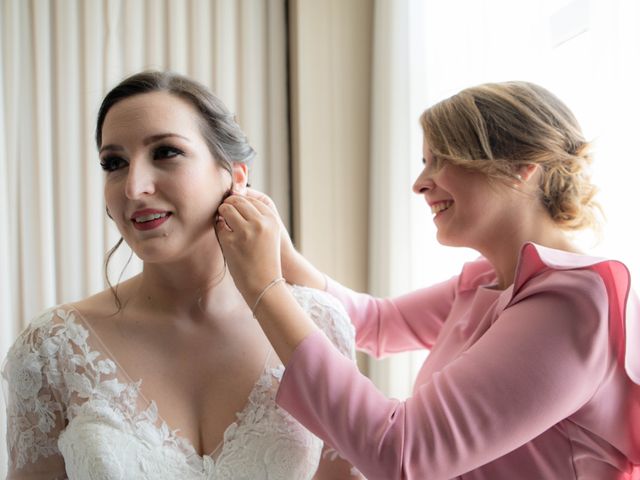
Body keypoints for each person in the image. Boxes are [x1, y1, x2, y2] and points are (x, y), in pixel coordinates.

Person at [216, 81, 640, 479]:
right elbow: (376, 322)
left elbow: (403, 453)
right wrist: (284, 256)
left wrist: (265, 290)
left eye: (442, 159)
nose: (420, 184)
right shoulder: (485, 282)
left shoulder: (573, 303)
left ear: (520, 166)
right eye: (425, 162)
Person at [1, 71, 362, 479]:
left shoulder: (322, 324)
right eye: (114, 163)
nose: (134, 188)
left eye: (166, 152)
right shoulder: (51, 350)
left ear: (235, 176)